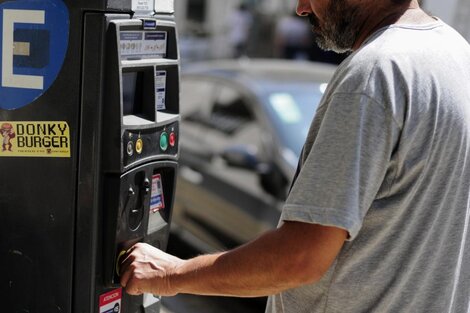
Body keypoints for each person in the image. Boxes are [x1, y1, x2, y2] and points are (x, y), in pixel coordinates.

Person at [120, 0, 470, 312]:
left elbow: (300, 258)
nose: (301, 8)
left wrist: (170, 274)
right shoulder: (457, 54)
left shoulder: (375, 72)